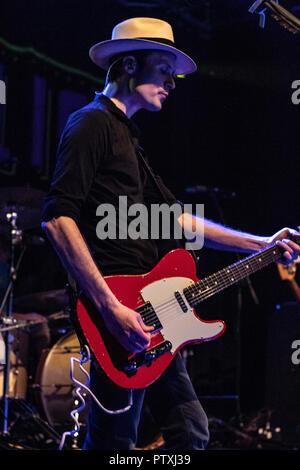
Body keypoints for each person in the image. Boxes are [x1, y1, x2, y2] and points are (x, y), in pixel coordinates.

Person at [41, 17, 300, 450]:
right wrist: (111, 309)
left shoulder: (127, 137)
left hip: (153, 311)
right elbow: (57, 218)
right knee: (114, 442)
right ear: (127, 65)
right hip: (120, 316)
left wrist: (262, 243)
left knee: (189, 430)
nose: (172, 83)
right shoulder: (90, 124)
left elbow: (177, 221)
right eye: (164, 69)